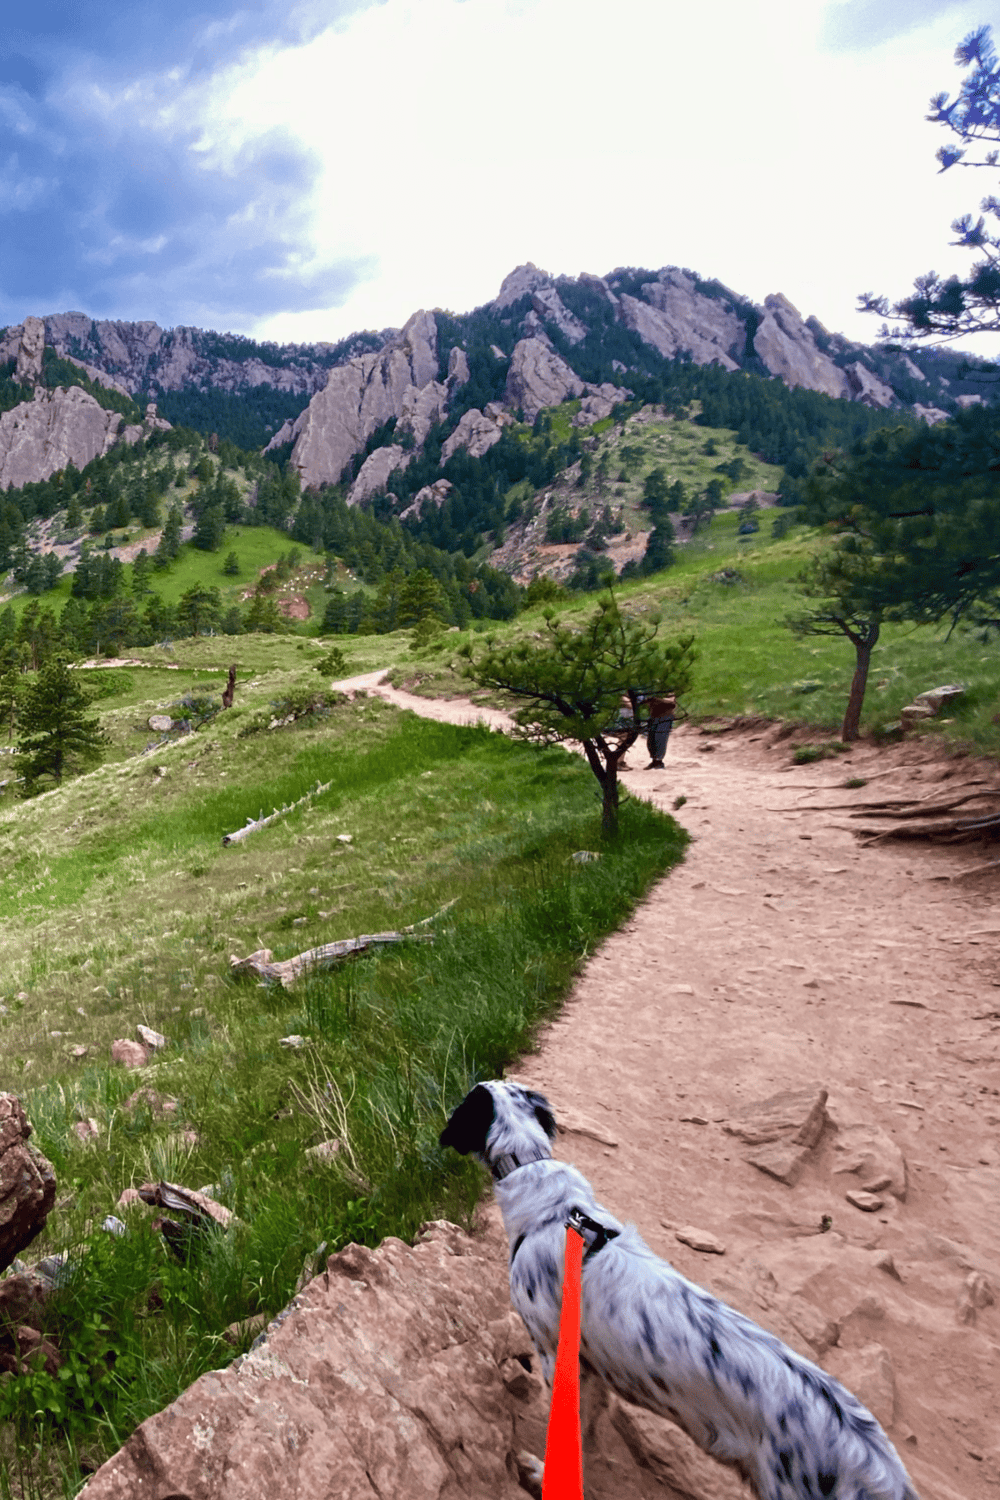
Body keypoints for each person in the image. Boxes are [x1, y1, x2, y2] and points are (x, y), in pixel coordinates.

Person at [644, 690, 676, 769]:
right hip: (654, 716)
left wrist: (656, 699)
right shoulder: (652, 687)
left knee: (660, 738)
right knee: (651, 739)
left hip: (665, 716)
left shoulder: (668, 688)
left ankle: (659, 761)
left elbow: (671, 702)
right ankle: (654, 760)